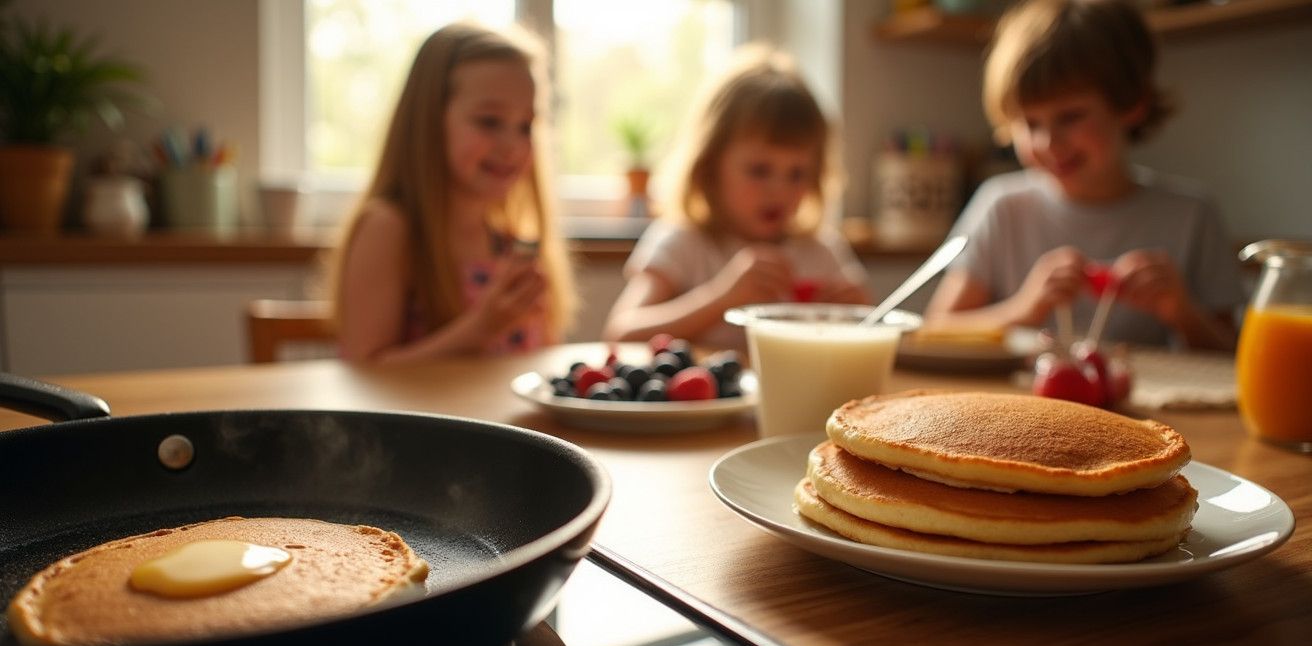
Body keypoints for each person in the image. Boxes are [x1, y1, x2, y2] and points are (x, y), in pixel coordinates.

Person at [924, 0, 1240, 350]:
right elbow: (935, 330)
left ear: (1132, 103)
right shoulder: (1002, 206)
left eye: (1070, 117)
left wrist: (1182, 312)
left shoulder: (1191, 216)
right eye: (1030, 123)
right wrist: (1024, 308)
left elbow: (1232, 355)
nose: (1048, 142)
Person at [332, 22, 576, 363]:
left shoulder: (510, 244)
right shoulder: (388, 228)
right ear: (429, 120)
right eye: (489, 121)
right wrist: (482, 327)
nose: (513, 146)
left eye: (525, 125)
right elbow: (365, 373)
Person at [602, 46, 870, 349]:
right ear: (710, 166)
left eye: (797, 174)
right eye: (759, 170)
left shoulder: (822, 251)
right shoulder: (683, 242)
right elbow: (621, 331)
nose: (779, 190)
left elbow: (867, 335)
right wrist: (723, 297)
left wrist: (859, 316)